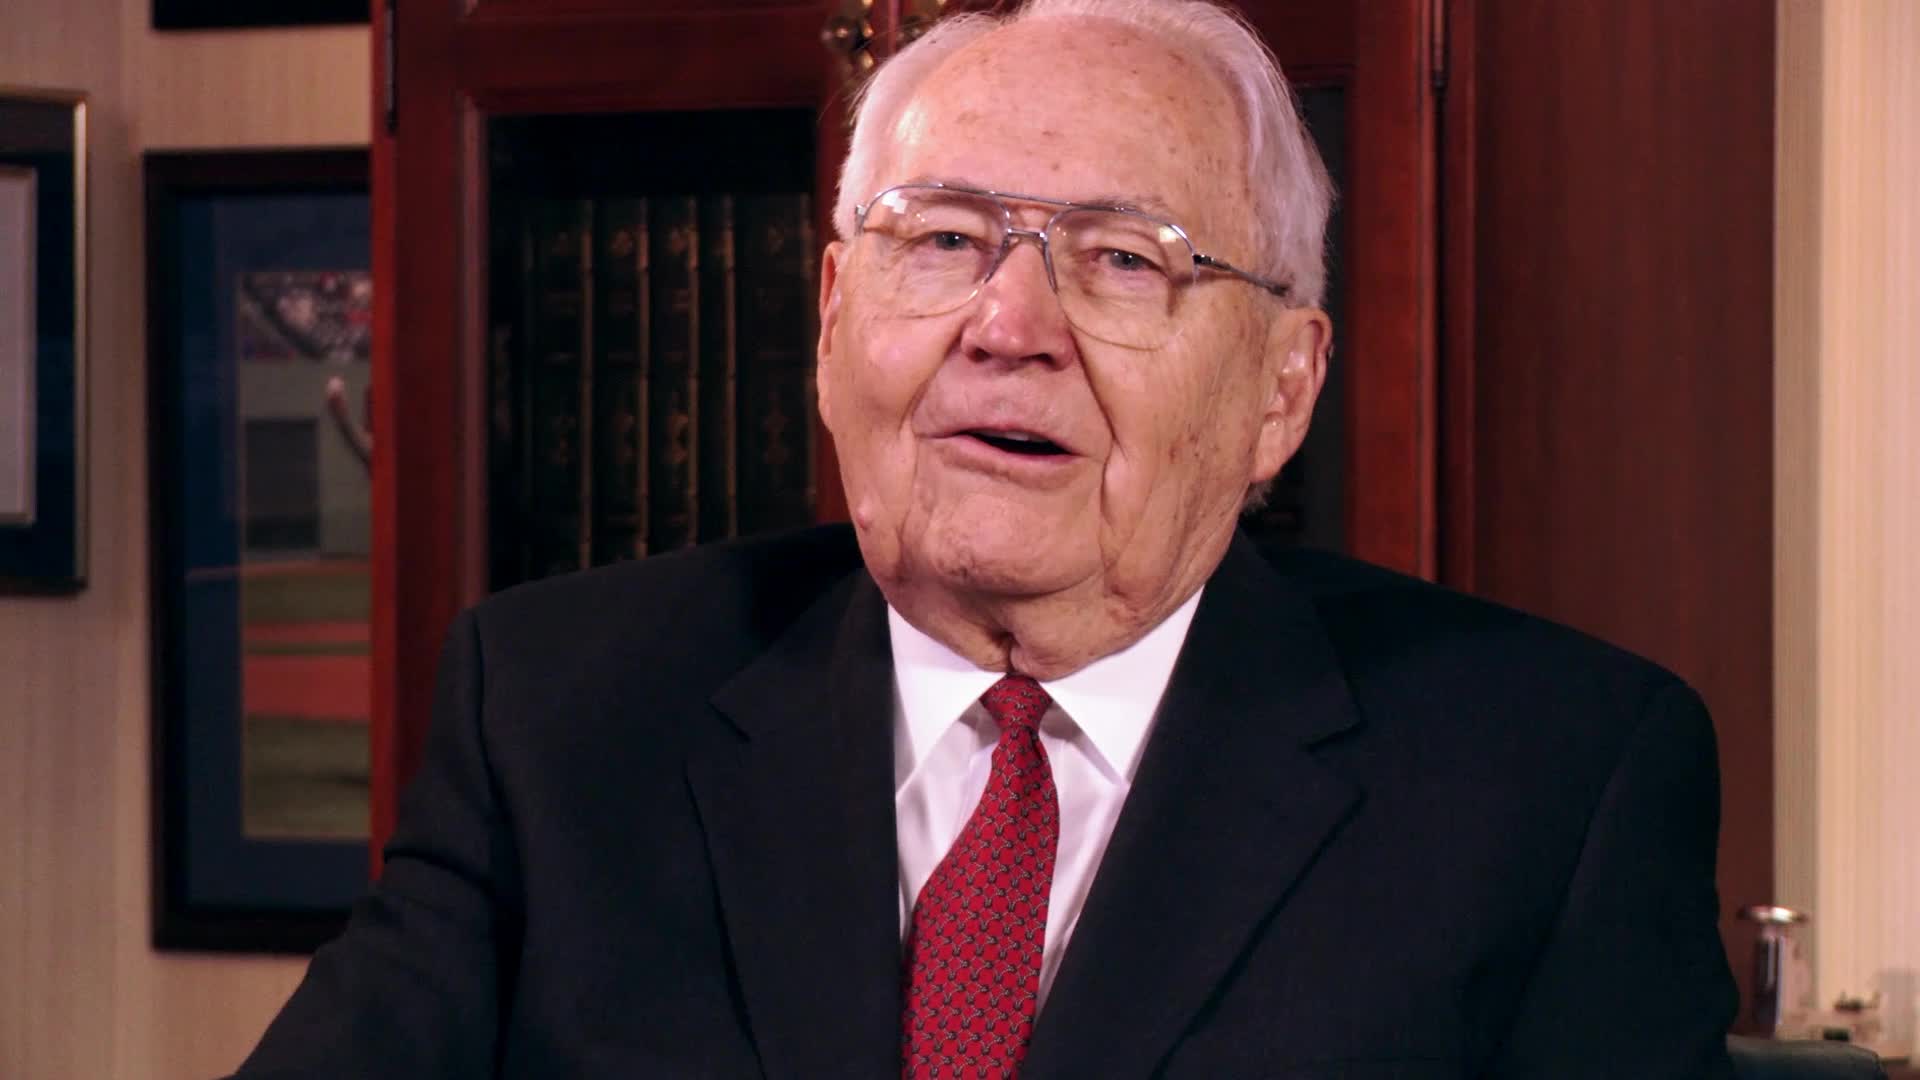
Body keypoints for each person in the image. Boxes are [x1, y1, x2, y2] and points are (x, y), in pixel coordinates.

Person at [233, 1, 1738, 1076]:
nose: (1008, 325)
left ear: (1284, 390)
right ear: (835, 318)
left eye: (1123, 261)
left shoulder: (1554, 782)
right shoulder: (558, 713)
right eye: (944, 238)